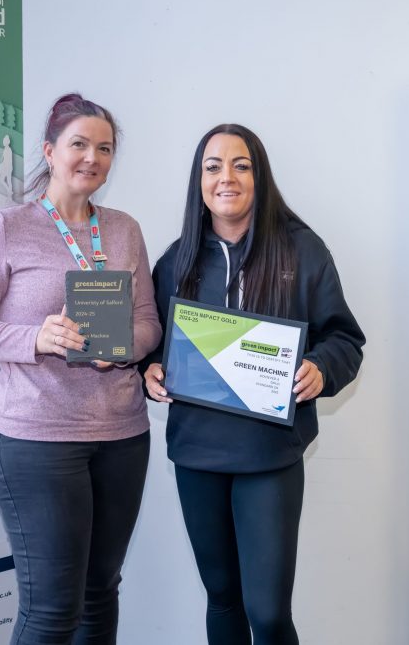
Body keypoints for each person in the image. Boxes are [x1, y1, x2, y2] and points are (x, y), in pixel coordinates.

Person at [0, 94, 161, 644]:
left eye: (104, 148)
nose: (92, 158)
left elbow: (148, 323)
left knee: (99, 594)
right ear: (50, 151)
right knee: (50, 611)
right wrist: (33, 337)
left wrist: (127, 348)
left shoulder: (124, 230)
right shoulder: (8, 227)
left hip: (122, 436)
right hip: (37, 440)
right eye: (79, 144)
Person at [143, 124, 365, 644]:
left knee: (266, 613)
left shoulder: (302, 251)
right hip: (197, 454)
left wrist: (321, 367)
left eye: (241, 165)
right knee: (221, 599)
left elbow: (345, 339)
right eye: (213, 166)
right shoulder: (176, 261)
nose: (227, 178)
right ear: (199, 180)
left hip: (269, 454)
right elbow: (154, 342)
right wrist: (148, 368)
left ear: (259, 176)